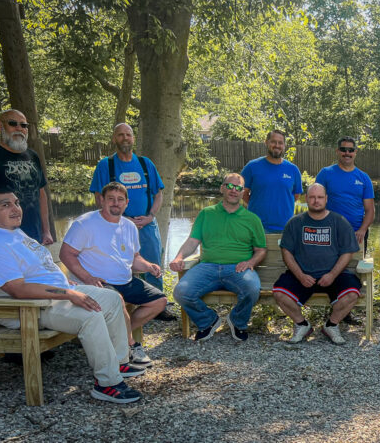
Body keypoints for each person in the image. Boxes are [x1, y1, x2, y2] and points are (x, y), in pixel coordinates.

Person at [0, 187, 143, 403]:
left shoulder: (11, 232)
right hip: (26, 308)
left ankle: (118, 363)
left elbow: (36, 269)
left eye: (16, 203)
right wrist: (68, 293)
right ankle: (107, 384)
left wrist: (64, 284)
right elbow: (18, 289)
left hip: (52, 297)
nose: (16, 209)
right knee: (90, 315)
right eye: (5, 205)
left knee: (112, 299)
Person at [60, 182, 166, 368]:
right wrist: (87, 278)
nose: (115, 203)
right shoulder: (85, 224)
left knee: (160, 301)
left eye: (120, 200)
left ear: (126, 203)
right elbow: (66, 254)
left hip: (125, 280)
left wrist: (149, 266)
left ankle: (114, 335)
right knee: (116, 300)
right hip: (97, 283)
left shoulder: (129, 226)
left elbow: (134, 258)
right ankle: (130, 345)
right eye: (111, 199)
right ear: (101, 200)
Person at [169, 173, 267, 342]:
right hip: (207, 267)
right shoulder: (206, 214)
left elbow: (261, 250)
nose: (234, 190)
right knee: (181, 292)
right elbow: (193, 241)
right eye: (230, 186)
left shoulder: (252, 219)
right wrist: (178, 257)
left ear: (243, 192)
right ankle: (208, 320)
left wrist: (250, 262)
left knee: (251, 289)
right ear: (222, 188)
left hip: (237, 269)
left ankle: (237, 321)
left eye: (238, 188)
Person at [273, 184, 362, 345]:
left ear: (326, 199)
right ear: (306, 199)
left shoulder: (339, 221)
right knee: (280, 293)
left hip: (333, 274)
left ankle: (331, 325)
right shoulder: (295, 222)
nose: (316, 201)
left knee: (352, 293)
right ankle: (302, 325)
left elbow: (347, 252)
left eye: (320, 197)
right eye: (312, 197)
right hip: (303, 274)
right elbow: (286, 252)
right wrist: (300, 275)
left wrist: (332, 274)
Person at [88, 123, 166, 291]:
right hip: (117, 227)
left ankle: (158, 303)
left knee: (153, 265)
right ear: (114, 139)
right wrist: (120, 219)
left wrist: (151, 216)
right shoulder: (105, 165)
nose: (125, 138)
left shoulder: (145, 164)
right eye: (120, 135)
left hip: (146, 225)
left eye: (128, 135)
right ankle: (123, 301)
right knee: (120, 265)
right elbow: (99, 198)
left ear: (133, 138)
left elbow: (158, 194)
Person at [0, 109, 53, 245]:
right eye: (13, 123)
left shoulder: (33, 156)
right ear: (0, 126)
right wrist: (2, 233)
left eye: (23, 125)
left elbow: (41, 195)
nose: (19, 129)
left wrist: (46, 231)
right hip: (5, 237)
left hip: (34, 235)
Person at [315, 136, 375, 250]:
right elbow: (315, 203)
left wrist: (363, 230)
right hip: (329, 233)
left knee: (357, 267)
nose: (347, 153)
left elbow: (370, 210)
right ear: (337, 151)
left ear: (355, 152)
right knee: (327, 266)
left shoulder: (364, 178)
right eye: (343, 149)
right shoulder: (325, 174)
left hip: (357, 234)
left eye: (351, 150)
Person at [241, 130, 303, 233]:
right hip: (257, 227)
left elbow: (295, 196)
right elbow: (243, 193)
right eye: (273, 142)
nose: (277, 145)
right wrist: (257, 204)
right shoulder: (252, 167)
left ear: (284, 145)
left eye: (280, 143)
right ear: (266, 142)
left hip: (285, 228)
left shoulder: (293, 169)